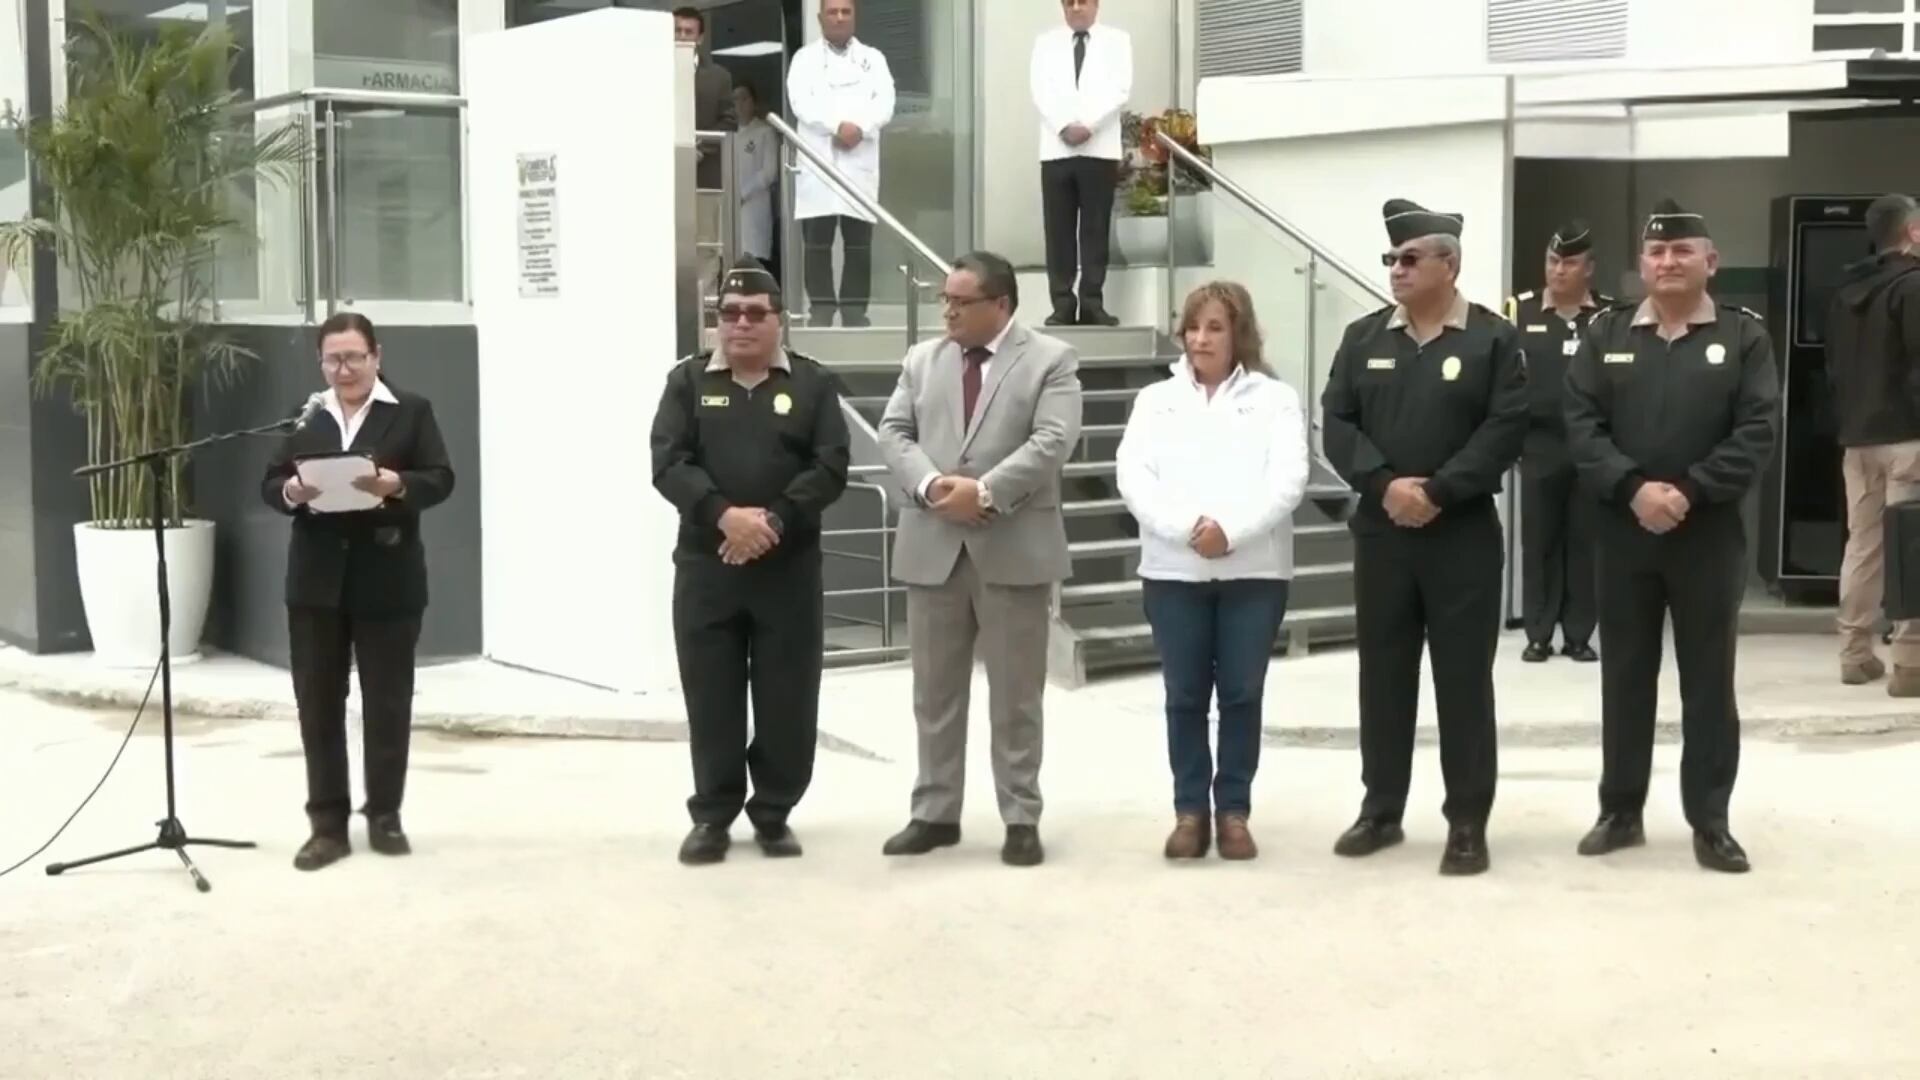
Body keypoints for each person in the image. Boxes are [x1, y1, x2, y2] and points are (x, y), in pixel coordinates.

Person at [1564, 198, 1780, 874]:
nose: (1667, 261)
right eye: (1656, 252)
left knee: (1708, 682)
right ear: (1641, 265)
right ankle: (1621, 810)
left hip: (1705, 535)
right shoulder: (1607, 333)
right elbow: (1579, 422)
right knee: (1626, 677)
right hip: (1624, 533)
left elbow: (1757, 430)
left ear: (1710, 261)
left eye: (1682, 251)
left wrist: (1687, 491)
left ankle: (1710, 820)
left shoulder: (1745, 337)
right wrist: (1634, 489)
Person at [1320, 198, 1527, 876]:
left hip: (1460, 533)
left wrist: (1436, 491)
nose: (1396, 270)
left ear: (1450, 263)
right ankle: (1381, 810)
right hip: (1383, 535)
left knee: (1463, 679)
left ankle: (1467, 820)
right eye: (1391, 259)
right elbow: (1338, 424)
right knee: (1383, 675)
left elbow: (1505, 429)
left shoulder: (1493, 340)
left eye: (1410, 258)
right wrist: (1385, 487)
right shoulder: (1363, 338)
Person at [875, 250, 1083, 867]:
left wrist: (984, 492)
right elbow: (893, 432)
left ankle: (1020, 815)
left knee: (1016, 695)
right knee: (934, 694)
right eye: (945, 299)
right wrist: (934, 487)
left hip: (1012, 545)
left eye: (960, 302)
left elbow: (1054, 440)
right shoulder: (921, 360)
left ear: (1002, 305)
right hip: (932, 545)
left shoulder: (1051, 360)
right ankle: (934, 812)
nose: (948, 312)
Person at [650, 259, 851, 865]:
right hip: (708, 567)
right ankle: (712, 816)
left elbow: (830, 467)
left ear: (778, 321)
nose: (740, 324)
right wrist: (724, 516)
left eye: (754, 314)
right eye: (728, 314)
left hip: (786, 570)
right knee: (711, 695)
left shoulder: (813, 385)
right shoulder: (686, 383)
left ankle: (773, 812)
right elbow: (669, 462)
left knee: (787, 694)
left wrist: (771, 522)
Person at [1115, 282, 1308, 861]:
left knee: (1243, 693)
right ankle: (1189, 811)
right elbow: (1134, 477)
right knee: (1185, 695)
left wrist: (1232, 530)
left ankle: (1234, 812)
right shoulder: (1155, 400)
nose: (1200, 339)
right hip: (1174, 573)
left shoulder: (1275, 399)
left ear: (1239, 333)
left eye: (1215, 327)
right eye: (1193, 327)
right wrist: (1187, 529)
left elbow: (1288, 480)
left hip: (1255, 572)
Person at [264, 312, 456, 873]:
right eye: (332, 359)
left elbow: (441, 478)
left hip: (388, 576)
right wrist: (293, 492)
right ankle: (327, 824)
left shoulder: (411, 411)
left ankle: (385, 815)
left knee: (387, 702)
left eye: (353, 357)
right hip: (315, 582)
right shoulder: (308, 414)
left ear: (376, 356)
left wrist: (398, 485)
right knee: (318, 704)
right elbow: (269, 484)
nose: (343, 369)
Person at [1825, 193, 1920, 692]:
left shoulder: (1845, 292)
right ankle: (1910, 662)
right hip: (1909, 439)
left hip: (1857, 439)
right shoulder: (1915, 286)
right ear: (1914, 234)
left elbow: (1833, 369)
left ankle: (1854, 652)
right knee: (1914, 545)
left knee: (1864, 546)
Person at [1505, 222, 1612, 664]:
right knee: (1540, 542)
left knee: (1585, 543)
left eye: (1569, 262)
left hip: (1590, 447)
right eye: (1552, 261)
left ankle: (1579, 635)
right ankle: (1538, 634)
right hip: (1539, 445)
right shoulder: (1520, 312)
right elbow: (1505, 381)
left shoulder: (1607, 317)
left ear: (1588, 268)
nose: (1558, 270)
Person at [786, 0, 895, 328]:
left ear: (854, 17)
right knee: (817, 243)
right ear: (820, 18)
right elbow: (800, 101)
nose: (839, 17)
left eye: (846, 12)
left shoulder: (873, 59)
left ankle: (853, 310)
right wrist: (837, 126)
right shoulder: (804, 59)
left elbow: (886, 102)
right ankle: (820, 309)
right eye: (832, 12)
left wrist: (859, 127)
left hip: (858, 161)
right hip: (820, 160)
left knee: (858, 243)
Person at [1030, 0, 1132, 328]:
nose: (1076, 9)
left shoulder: (1118, 40)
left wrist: (1089, 124)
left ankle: (1091, 303)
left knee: (1094, 229)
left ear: (1095, 5)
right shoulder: (1045, 43)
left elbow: (1120, 89)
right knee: (1058, 231)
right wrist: (1064, 125)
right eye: (1069, 3)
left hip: (1098, 147)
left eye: (1082, 2)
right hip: (1057, 149)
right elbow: (1039, 90)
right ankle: (1061, 304)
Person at [674, 6, 736, 192]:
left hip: (704, 171)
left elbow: (729, 122)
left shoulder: (719, 77)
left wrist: (698, 149)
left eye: (689, 31)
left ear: (700, 38)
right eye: (677, 31)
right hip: (659, 172)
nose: (682, 36)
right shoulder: (651, 73)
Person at [732, 82, 781, 274]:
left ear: (754, 102)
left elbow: (770, 172)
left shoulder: (765, 132)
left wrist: (743, 193)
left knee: (755, 260)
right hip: (730, 207)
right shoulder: (729, 133)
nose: (740, 104)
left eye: (745, 98)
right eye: (735, 99)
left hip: (755, 207)